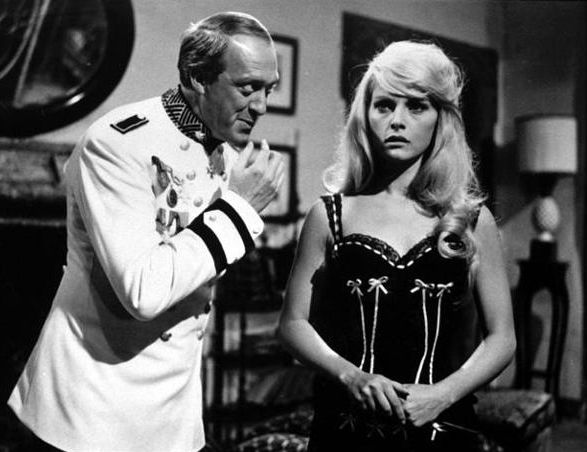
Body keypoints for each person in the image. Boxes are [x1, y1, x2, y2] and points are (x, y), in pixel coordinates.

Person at [8, 11, 284, 452]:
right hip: (91, 407)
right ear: (197, 77)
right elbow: (142, 292)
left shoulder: (228, 158)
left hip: (171, 413)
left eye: (269, 89)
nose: (262, 106)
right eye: (248, 87)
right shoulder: (117, 143)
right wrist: (238, 208)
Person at [278, 40, 516, 451]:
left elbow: (502, 338)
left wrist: (442, 394)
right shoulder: (330, 214)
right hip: (345, 429)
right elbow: (292, 324)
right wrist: (351, 375)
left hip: (441, 427)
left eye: (416, 106)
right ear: (365, 115)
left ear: (441, 119)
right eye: (384, 106)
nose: (397, 121)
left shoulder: (472, 221)